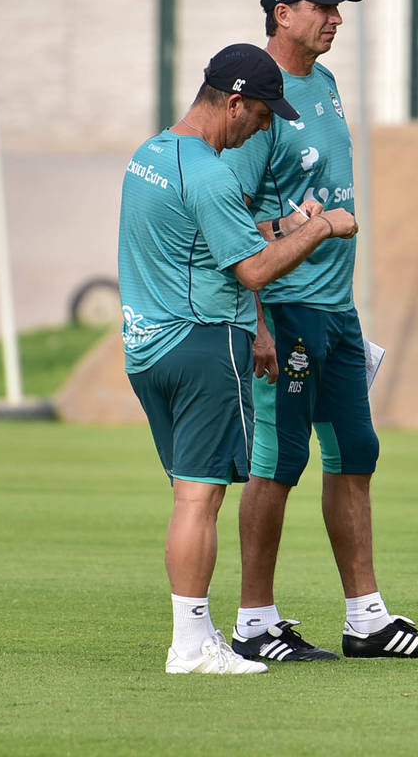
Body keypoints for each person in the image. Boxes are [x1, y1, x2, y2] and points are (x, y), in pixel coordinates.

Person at [222, 0, 418, 661]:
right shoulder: (259, 98)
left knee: (357, 452)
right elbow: (238, 218)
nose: (336, 17)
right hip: (285, 309)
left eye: (339, 5)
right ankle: (255, 624)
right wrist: (257, 322)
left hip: (335, 309)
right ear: (282, 11)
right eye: (322, 5)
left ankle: (368, 620)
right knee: (279, 461)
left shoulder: (322, 84)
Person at [117, 42, 358, 674]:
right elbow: (252, 271)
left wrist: (284, 221)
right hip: (202, 345)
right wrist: (321, 227)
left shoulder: (150, 156)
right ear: (232, 103)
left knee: (186, 495)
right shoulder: (212, 173)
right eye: (259, 114)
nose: (263, 127)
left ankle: (193, 638)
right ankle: (192, 645)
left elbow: (215, 235)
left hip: (147, 346)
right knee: (200, 500)